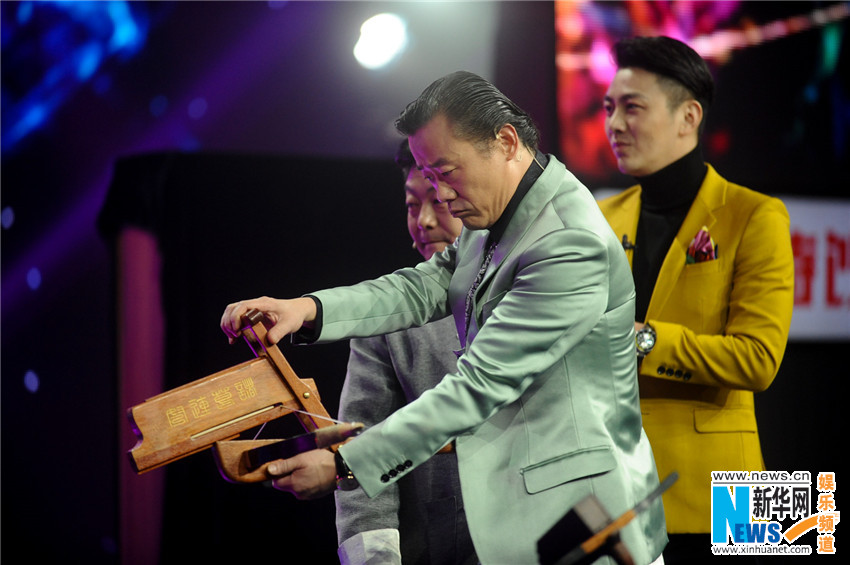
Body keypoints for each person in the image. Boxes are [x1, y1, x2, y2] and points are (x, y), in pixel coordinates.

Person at [221, 70, 667, 565]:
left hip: (584, 519)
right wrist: (305, 309)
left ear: (505, 142)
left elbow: (478, 386)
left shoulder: (568, 243)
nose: (443, 198)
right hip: (529, 519)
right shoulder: (503, 212)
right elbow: (423, 285)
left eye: (446, 173)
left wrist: (346, 465)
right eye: (428, 180)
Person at [599, 36, 794, 561]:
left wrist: (644, 340)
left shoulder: (755, 215)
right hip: (615, 496)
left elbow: (758, 359)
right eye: (609, 107)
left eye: (632, 107)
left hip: (731, 499)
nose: (614, 123)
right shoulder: (601, 217)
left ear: (689, 117)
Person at [335, 139, 475, 564]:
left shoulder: (535, 291)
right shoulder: (388, 319)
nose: (425, 221)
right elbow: (360, 445)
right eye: (413, 205)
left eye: (439, 201)